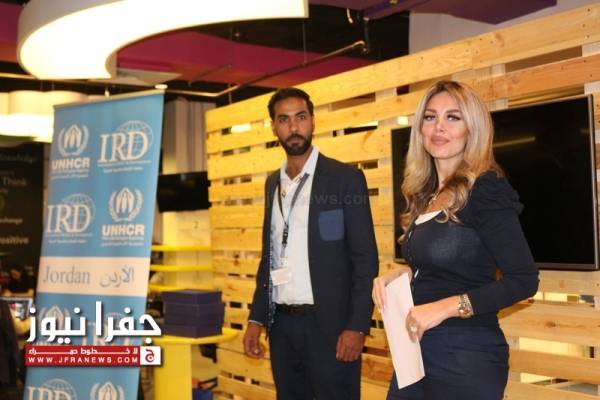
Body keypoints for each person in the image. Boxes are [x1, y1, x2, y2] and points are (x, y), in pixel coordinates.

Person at [372, 80, 539, 399]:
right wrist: (403, 274)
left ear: (472, 129)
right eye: (430, 117)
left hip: (466, 355)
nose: (439, 127)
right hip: (417, 350)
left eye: (453, 117)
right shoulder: (425, 193)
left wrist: (444, 308)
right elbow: (449, 267)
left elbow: (524, 280)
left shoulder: (485, 188)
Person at [243, 87, 379, 400]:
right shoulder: (272, 183)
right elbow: (270, 256)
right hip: (282, 327)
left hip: (331, 327)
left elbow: (365, 258)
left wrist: (358, 325)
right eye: (284, 119)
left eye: (301, 117)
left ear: (313, 121)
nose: (294, 127)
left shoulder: (345, 178)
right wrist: (256, 318)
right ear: (274, 127)